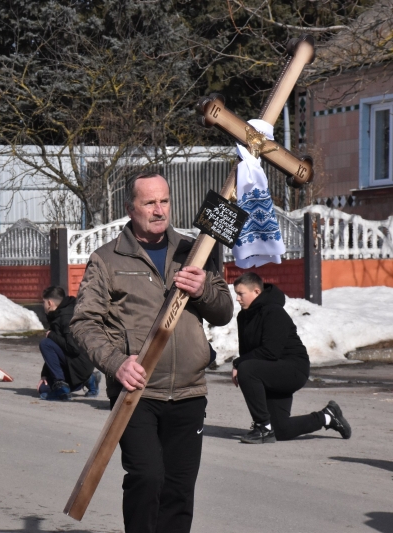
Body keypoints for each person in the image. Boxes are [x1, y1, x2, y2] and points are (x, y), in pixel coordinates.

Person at [70, 172, 233, 533]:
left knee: (178, 490)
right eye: (149, 203)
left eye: (165, 201)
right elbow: (83, 323)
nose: (159, 210)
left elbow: (223, 312)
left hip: (189, 392)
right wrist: (116, 363)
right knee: (147, 478)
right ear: (131, 208)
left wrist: (204, 289)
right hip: (137, 393)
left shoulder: (196, 250)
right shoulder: (107, 259)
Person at [232, 272, 351, 443]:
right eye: (236, 293)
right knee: (281, 430)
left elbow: (270, 351)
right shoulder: (243, 316)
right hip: (271, 370)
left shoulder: (274, 312)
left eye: (241, 293)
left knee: (247, 369)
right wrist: (241, 363)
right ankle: (327, 416)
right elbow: (247, 351)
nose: (237, 298)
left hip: (293, 369)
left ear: (256, 292)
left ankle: (262, 427)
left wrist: (239, 365)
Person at [37, 286, 98, 400]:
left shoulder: (66, 317)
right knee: (43, 389)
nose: (43, 305)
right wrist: (44, 374)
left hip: (80, 362)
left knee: (45, 343)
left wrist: (51, 335)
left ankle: (61, 385)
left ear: (50, 303)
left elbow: (73, 347)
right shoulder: (59, 314)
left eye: (43, 302)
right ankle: (89, 380)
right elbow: (54, 352)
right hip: (74, 361)